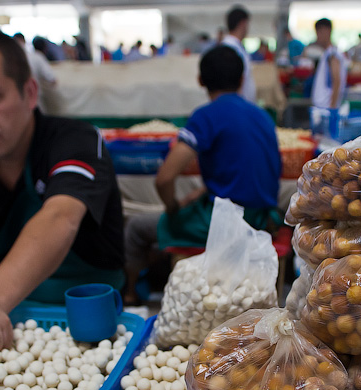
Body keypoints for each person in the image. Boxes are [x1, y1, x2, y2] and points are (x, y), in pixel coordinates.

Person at [0, 28, 124, 359]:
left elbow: (60, 217)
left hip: (94, 326)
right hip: (14, 324)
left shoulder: (76, 140)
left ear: (29, 93)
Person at [122, 45, 281, 304]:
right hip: (264, 218)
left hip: (232, 223)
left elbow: (164, 178)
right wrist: (205, 190)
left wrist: (173, 207)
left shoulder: (206, 117)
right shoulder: (263, 116)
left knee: (137, 228)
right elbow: (247, 170)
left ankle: (130, 297)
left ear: (200, 81)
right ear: (242, 80)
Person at [221, 5, 257, 104]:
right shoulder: (231, 49)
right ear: (243, 23)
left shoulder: (236, 47)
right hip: (238, 105)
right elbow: (233, 83)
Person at [310, 18, 347, 110]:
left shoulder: (332, 54)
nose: (317, 36)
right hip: (322, 107)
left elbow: (337, 80)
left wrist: (332, 107)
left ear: (327, 31)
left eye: (319, 32)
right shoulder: (327, 53)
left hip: (326, 108)